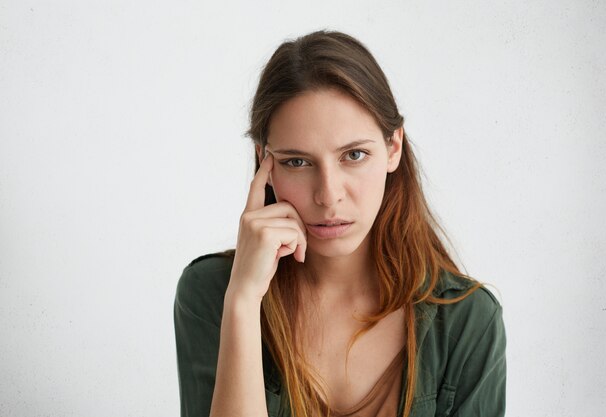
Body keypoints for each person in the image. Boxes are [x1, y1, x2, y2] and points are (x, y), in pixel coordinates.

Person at [174, 30, 506, 417]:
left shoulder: (468, 321)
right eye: (297, 161)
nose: (328, 195)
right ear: (265, 161)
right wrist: (244, 303)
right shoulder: (213, 293)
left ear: (393, 148)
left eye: (354, 154)